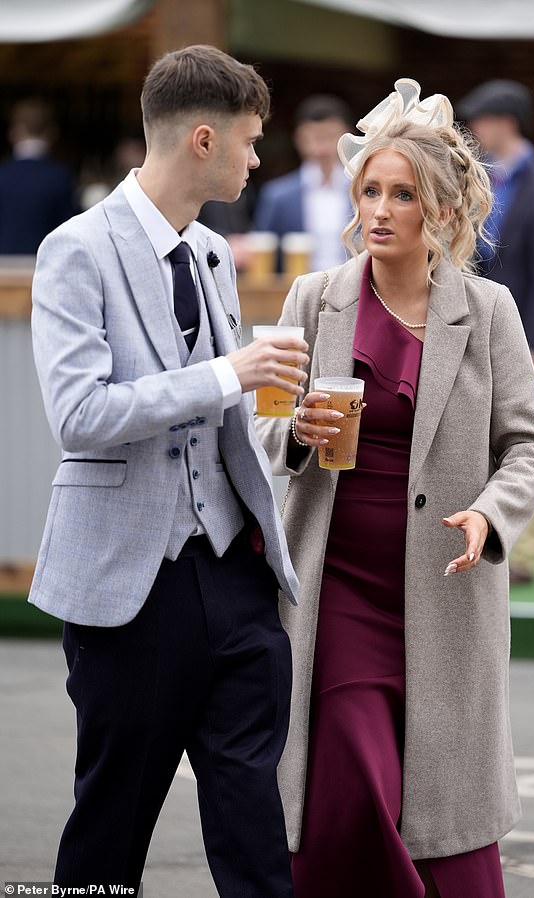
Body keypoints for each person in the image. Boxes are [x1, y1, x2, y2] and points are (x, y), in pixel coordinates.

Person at [256, 79, 534, 898]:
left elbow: (530, 446)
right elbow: (260, 428)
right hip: (338, 592)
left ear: (445, 212)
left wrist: (490, 516)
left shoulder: (490, 311)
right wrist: (295, 433)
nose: (381, 209)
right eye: (371, 191)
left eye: (404, 194)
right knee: (349, 785)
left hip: (442, 588)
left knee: (443, 811)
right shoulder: (314, 302)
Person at [28, 45, 309, 898]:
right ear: (201, 140)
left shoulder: (216, 255)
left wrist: (291, 428)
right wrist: (234, 373)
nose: (257, 159)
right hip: (127, 586)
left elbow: (222, 426)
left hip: (234, 577)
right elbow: (80, 416)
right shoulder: (75, 250)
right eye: (251, 142)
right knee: (112, 822)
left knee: (253, 822)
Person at [456, 79, 534, 584]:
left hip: (530, 336)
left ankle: (527, 556)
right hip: (485, 329)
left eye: (481, 120)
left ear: (506, 123)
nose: (475, 130)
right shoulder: (487, 179)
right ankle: (495, 536)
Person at [253, 93, 353, 270]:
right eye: (315, 137)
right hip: (296, 289)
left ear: (347, 137)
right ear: (299, 139)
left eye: (330, 136)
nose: (322, 146)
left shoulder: (364, 189)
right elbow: (263, 249)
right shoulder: (277, 195)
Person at [0, 98, 77, 254]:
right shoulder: (60, 177)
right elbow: (71, 230)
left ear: (13, 132)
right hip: (45, 266)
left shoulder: (3, 175)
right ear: (52, 133)